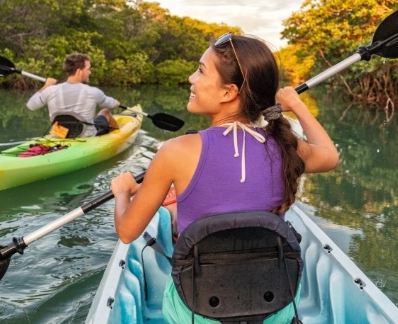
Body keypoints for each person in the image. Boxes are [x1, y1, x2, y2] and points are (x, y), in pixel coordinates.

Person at [110, 33, 339, 323]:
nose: (192, 78)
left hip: (198, 313)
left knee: (172, 212)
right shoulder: (285, 145)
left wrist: (122, 192)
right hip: (274, 308)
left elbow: (128, 232)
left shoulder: (175, 151)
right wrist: (295, 104)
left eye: (201, 70)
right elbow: (329, 155)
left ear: (229, 92)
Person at [26, 53, 120, 137]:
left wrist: (46, 86)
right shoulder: (93, 92)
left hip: (59, 135)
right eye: (88, 69)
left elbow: (31, 106)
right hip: (85, 136)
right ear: (79, 71)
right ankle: (118, 136)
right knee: (105, 112)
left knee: (92, 115)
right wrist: (116, 103)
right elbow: (110, 104)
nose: (90, 72)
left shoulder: (51, 90)